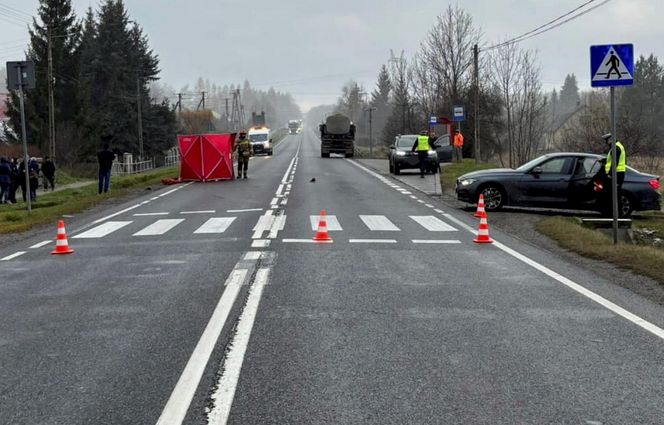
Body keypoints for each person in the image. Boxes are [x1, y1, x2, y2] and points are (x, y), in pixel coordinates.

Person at [600, 133, 627, 216]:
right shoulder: (617, 146)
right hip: (617, 173)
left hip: (616, 175)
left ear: (611, 139)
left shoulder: (616, 148)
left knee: (615, 195)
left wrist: (610, 174)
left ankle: (617, 215)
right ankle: (614, 214)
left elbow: (615, 162)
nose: (606, 142)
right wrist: (603, 161)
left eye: (607, 140)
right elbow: (612, 160)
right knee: (614, 194)